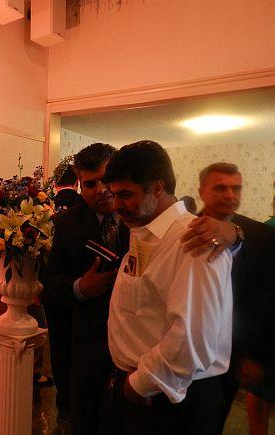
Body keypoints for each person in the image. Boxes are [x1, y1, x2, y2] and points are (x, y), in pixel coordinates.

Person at [101, 141, 233, 435]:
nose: (117, 205)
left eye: (126, 195)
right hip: (138, 386)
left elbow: (194, 338)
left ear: (158, 188)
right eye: (114, 195)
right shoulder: (142, 230)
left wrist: (141, 384)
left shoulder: (193, 239)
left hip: (169, 395)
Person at [41, 143, 128, 434]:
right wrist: (81, 287)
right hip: (85, 350)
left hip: (137, 350)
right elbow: (50, 284)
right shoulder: (66, 222)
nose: (100, 190)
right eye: (90, 184)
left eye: (105, 179)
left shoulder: (142, 217)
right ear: (80, 184)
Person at [197, 162, 275, 435]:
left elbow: (262, 301)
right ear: (202, 191)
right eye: (220, 188)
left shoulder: (262, 236)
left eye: (236, 188)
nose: (230, 194)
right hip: (188, 347)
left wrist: (251, 354)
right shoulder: (184, 231)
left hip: (233, 352)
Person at [38, 163, 85, 420]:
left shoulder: (43, 206)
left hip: (51, 286)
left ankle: (63, 400)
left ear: (55, 183)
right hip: (83, 290)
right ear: (78, 182)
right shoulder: (85, 206)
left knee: (59, 346)